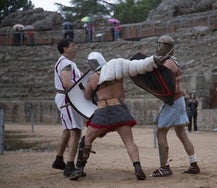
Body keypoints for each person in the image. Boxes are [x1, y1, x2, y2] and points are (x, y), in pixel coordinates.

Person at [69, 51, 164, 181]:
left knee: (87, 140)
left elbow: (86, 96)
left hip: (103, 111)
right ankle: (138, 168)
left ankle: (79, 168)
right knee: (129, 142)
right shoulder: (117, 74)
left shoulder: (93, 78)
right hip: (120, 109)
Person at [150, 35, 200, 177]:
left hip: (173, 102)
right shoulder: (171, 62)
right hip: (177, 101)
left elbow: (158, 80)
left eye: (161, 45)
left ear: (167, 47)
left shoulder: (168, 64)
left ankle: (164, 167)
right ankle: (194, 163)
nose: (159, 48)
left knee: (161, 132)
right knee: (181, 133)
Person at [52, 38, 85, 177]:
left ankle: (59, 160)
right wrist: (84, 88)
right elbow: (66, 82)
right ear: (66, 49)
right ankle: (70, 166)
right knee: (76, 131)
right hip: (68, 99)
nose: (76, 47)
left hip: (64, 98)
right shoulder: (66, 63)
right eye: (73, 45)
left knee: (67, 131)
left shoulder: (65, 62)